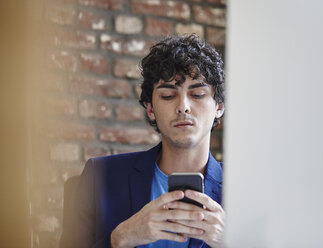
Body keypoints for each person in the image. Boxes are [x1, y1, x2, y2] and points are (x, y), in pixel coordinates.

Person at [60, 34, 225, 248]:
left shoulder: (245, 189)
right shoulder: (99, 177)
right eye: (167, 96)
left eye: (198, 94)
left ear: (219, 107)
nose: (183, 106)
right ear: (150, 109)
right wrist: (119, 239)